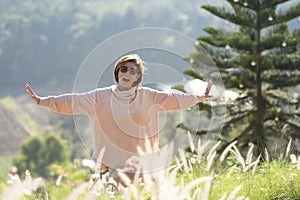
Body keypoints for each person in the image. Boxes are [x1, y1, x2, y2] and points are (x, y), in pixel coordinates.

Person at [25, 54, 212, 184]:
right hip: (116, 161)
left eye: (133, 71)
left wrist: (199, 97)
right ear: (117, 71)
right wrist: (42, 101)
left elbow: (174, 99)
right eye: (124, 69)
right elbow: (71, 101)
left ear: (138, 77)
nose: (128, 73)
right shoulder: (99, 97)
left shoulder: (148, 96)